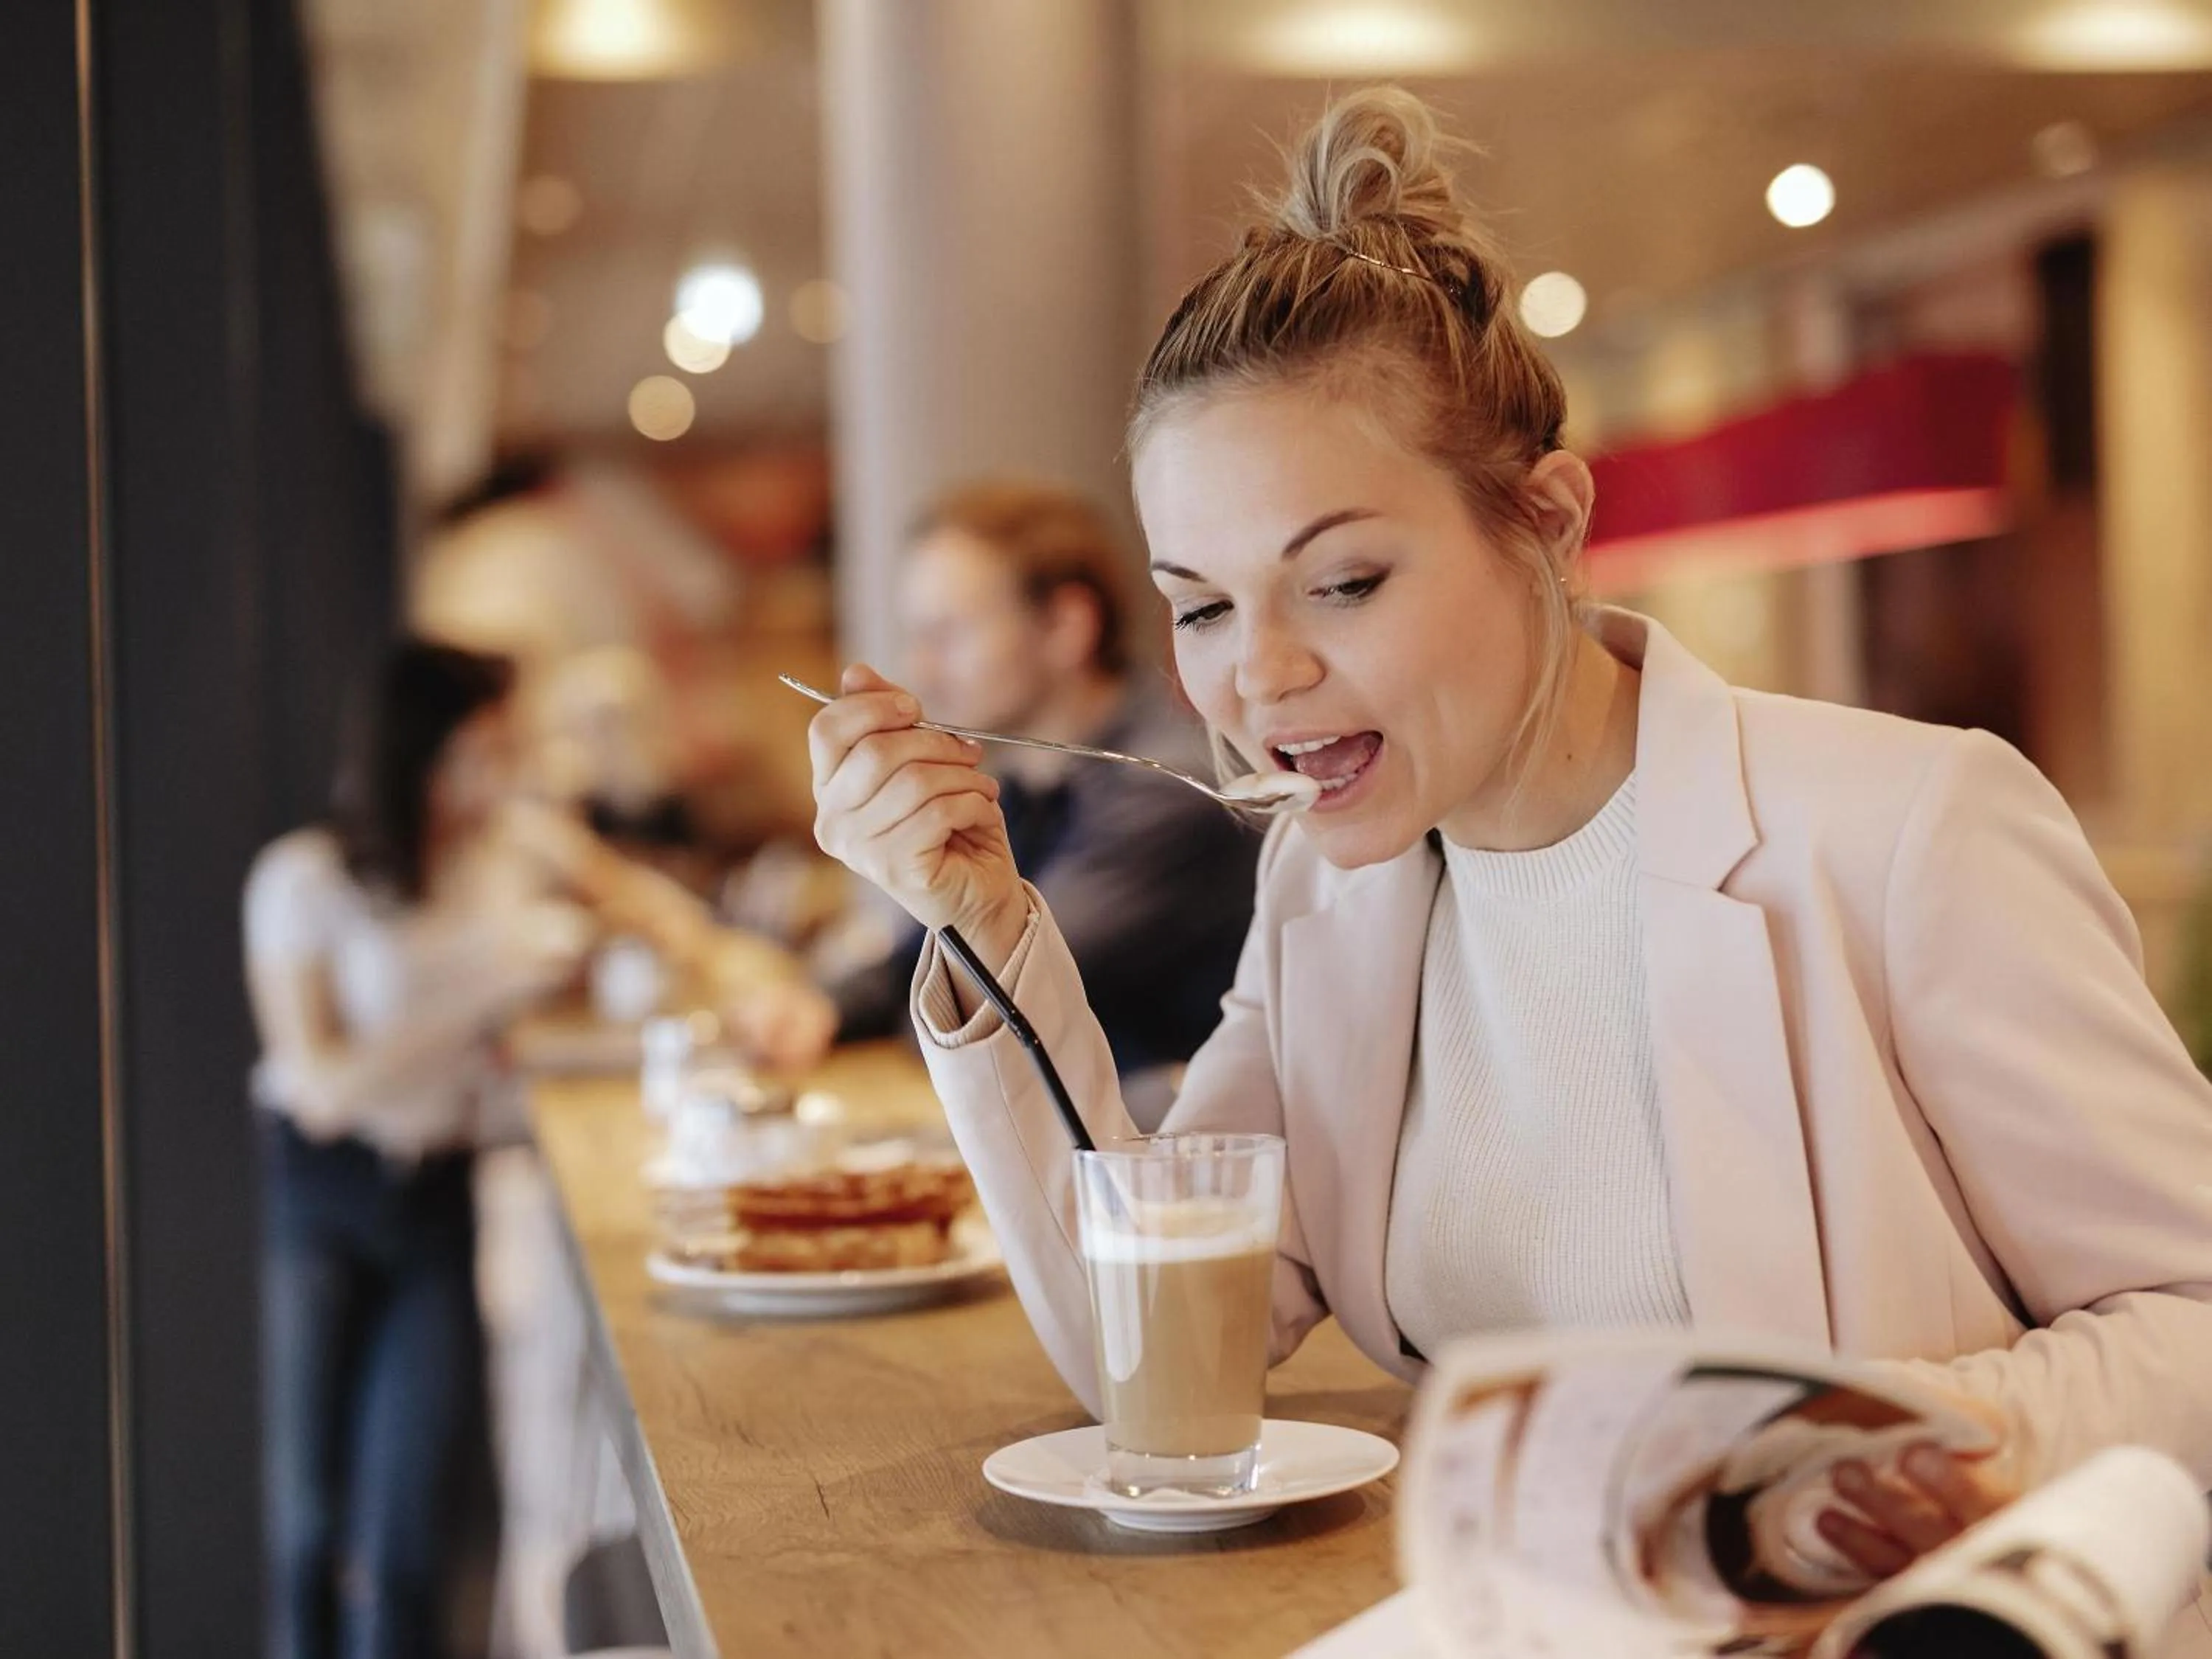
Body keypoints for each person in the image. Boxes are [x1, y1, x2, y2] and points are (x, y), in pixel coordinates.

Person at [805, 88, 2212, 1641]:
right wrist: (990, 925)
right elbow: (1158, 1364)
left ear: (1545, 521)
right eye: (1202, 607)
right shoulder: (1331, 895)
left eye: (1340, 581)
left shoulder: (1909, 830)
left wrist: (1886, 1446)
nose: (1255, 679)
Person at [247, 640, 832, 1659]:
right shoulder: (303, 880)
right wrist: (492, 983)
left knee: (411, 1515)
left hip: (439, 1189)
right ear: (417, 753)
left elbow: (671, 922)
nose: (506, 771)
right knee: (309, 1518)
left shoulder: (520, 843)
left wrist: (768, 983)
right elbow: (322, 1082)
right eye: (484, 749)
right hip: (324, 1187)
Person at [827, 480, 1260, 1126]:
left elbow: (994, 986)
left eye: (947, 634)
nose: (921, 666)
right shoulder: (1035, 782)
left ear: (1065, 626)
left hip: (1180, 1174)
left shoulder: (1166, 786)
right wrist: (829, 1006)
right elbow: (918, 957)